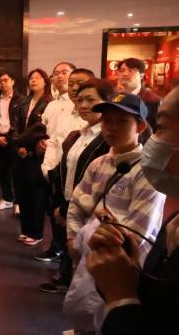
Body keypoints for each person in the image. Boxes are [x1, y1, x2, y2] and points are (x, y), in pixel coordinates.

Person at [63, 92, 166, 333]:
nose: (112, 128)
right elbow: (76, 204)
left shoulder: (147, 172)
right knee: (82, 308)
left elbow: (136, 232)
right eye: (107, 121)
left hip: (121, 265)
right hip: (87, 253)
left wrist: (92, 238)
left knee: (109, 316)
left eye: (122, 121)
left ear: (140, 126)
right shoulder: (99, 163)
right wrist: (73, 237)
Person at [86, 86, 179, 335]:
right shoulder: (174, 223)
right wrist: (130, 270)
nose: (155, 139)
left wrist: (121, 298)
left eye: (161, 127)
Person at [38, 79, 114, 294]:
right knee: (71, 249)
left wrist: (70, 207)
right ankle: (66, 280)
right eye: (80, 100)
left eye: (91, 100)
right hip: (70, 202)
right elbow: (68, 170)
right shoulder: (79, 134)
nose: (83, 105)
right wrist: (62, 203)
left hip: (91, 209)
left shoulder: (106, 138)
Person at [35, 65, 93, 262]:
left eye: (80, 83)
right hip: (57, 172)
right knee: (57, 214)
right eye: (73, 83)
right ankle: (59, 250)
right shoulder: (63, 112)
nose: (75, 88)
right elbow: (53, 141)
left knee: (75, 221)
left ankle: (69, 260)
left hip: (81, 178)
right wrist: (47, 169)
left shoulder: (93, 118)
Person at [15, 69, 53, 244]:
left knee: (36, 193)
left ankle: (36, 232)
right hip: (21, 151)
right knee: (23, 192)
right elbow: (17, 127)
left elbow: (44, 130)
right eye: (31, 78)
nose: (33, 80)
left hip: (37, 153)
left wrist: (28, 146)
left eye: (37, 78)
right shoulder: (24, 102)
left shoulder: (49, 102)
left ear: (45, 81)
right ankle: (26, 229)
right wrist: (19, 146)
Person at [0, 72, 24, 212]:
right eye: (0, 81)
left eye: (6, 80)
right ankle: (7, 198)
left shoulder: (21, 99)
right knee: (3, 170)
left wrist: (12, 136)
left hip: (14, 139)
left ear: (12, 81)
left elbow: (22, 121)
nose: (2, 83)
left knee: (17, 171)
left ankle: (19, 202)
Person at [117, 58, 161, 131]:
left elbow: (158, 131)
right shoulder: (117, 97)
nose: (125, 74)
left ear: (141, 75)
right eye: (122, 70)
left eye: (131, 70)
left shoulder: (153, 101)